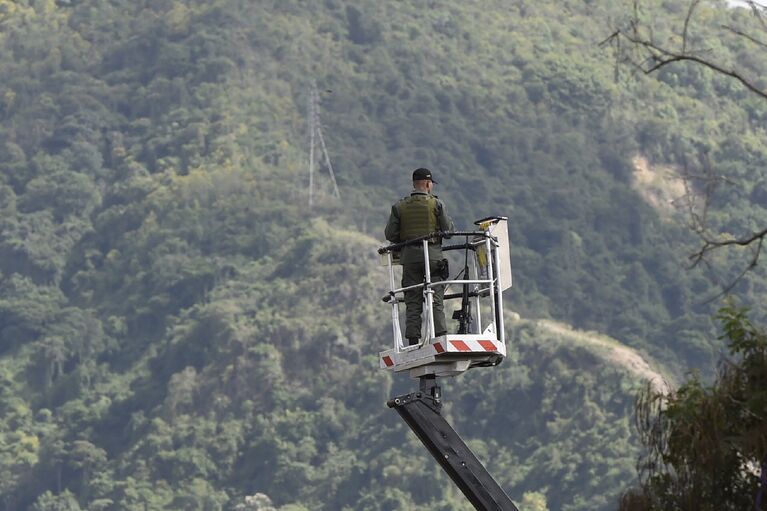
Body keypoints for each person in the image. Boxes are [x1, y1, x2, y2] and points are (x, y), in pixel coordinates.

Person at [385, 167, 455, 345]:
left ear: (414, 184)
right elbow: (448, 232)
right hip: (432, 257)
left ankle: (413, 339)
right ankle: (439, 336)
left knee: (412, 299)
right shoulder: (437, 204)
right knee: (436, 298)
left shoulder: (399, 206)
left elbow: (390, 235)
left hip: (409, 258)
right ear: (427, 184)